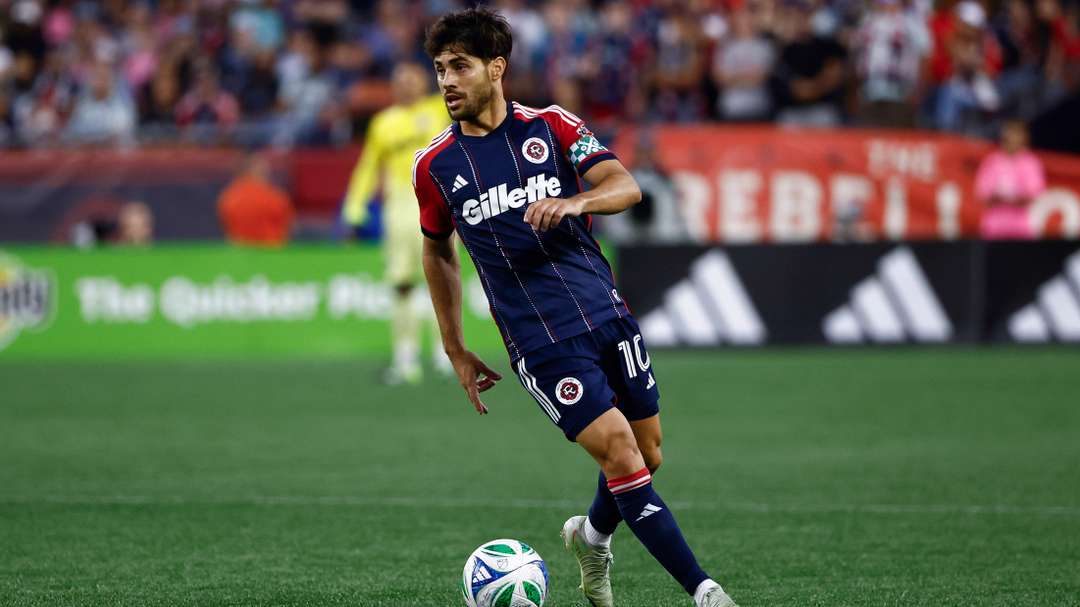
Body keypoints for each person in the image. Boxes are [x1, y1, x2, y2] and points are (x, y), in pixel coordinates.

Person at [414, 8, 738, 607]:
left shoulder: (554, 126)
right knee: (620, 452)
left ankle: (591, 536)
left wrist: (574, 201)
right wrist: (454, 347)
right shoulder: (435, 166)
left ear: (496, 68)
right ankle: (705, 591)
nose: (447, 81)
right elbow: (437, 252)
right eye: (440, 69)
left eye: (460, 66)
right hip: (541, 340)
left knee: (648, 454)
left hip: (607, 313)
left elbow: (625, 186)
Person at [342, 62, 452, 385]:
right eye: (400, 80)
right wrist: (354, 207)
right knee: (402, 284)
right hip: (399, 209)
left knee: (441, 281)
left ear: (424, 83)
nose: (406, 85)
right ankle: (405, 360)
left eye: (412, 79)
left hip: (438, 204)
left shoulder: (441, 109)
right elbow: (368, 166)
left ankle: (446, 355)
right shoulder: (383, 123)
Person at [975, 120, 1046, 239]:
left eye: (1017, 135)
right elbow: (982, 193)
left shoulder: (1030, 162)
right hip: (994, 227)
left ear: (1024, 139)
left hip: (1020, 228)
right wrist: (999, 198)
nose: (1013, 139)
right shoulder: (992, 161)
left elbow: (1035, 194)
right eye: (1011, 135)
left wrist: (1013, 199)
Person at [218, 153, 294, 246]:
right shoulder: (275, 196)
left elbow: (227, 226)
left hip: (241, 249)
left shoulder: (229, 196)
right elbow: (286, 226)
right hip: (271, 248)